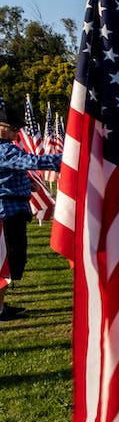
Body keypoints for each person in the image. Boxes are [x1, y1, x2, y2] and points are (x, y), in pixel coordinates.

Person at [0, 97, 61, 321]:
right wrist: (72, 158)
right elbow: (33, 161)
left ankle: (1, 305)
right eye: (13, 128)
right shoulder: (4, 150)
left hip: (12, 209)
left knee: (11, 261)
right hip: (6, 212)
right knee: (8, 261)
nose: (17, 133)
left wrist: (29, 184)